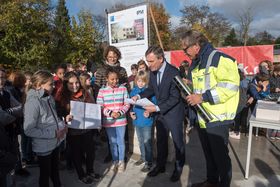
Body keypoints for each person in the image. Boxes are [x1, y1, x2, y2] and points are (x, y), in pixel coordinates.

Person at [181, 30, 240, 187]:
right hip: (203, 117)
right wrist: (190, 86)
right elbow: (204, 85)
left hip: (218, 118)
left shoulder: (219, 58)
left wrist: (201, 97)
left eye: (185, 48)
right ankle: (212, 181)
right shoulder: (197, 62)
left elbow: (230, 86)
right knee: (209, 155)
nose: (184, 53)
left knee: (221, 157)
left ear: (196, 45)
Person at [131, 46, 185, 182]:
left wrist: (156, 108)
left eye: (151, 61)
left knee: (178, 142)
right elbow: (151, 89)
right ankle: (160, 166)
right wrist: (138, 95)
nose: (148, 65)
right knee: (161, 141)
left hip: (173, 113)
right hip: (160, 113)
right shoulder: (153, 72)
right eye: (147, 61)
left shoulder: (174, 72)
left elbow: (175, 98)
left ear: (160, 59)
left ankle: (178, 168)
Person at [24, 70, 69, 187]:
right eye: (50, 84)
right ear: (39, 85)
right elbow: (28, 129)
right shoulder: (33, 102)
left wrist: (63, 125)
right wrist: (54, 133)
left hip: (54, 142)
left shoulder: (48, 97)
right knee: (45, 174)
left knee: (55, 170)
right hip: (43, 146)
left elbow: (52, 117)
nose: (53, 87)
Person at [55, 71, 101, 184]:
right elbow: (57, 113)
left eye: (76, 83)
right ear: (65, 84)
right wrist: (65, 117)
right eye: (71, 83)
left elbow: (93, 107)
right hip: (72, 132)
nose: (75, 86)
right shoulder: (61, 97)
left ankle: (90, 171)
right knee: (77, 154)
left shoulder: (84, 92)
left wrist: (97, 121)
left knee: (90, 152)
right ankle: (81, 175)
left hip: (87, 129)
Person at [95, 45, 129, 163]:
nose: (112, 58)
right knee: (110, 136)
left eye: (115, 56)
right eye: (110, 56)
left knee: (121, 136)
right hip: (106, 106)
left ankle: (121, 156)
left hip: (120, 104)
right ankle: (111, 154)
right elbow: (97, 88)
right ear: (106, 57)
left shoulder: (122, 70)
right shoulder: (101, 70)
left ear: (117, 56)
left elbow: (126, 87)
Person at [97, 68, 130, 173]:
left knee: (121, 142)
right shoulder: (102, 90)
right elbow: (100, 105)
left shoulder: (123, 89)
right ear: (106, 79)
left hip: (121, 121)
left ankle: (121, 161)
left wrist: (120, 112)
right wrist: (111, 113)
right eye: (112, 79)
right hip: (109, 122)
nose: (115, 81)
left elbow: (127, 103)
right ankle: (115, 161)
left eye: (116, 79)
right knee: (112, 142)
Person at [129, 70, 156, 172]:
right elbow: (131, 104)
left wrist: (150, 112)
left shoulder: (149, 91)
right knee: (140, 141)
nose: (141, 83)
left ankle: (149, 162)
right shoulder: (133, 91)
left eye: (143, 81)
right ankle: (143, 157)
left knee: (147, 142)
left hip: (147, 121)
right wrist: (131, 112)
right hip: (137, 121)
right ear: (136, 81)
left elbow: (154, 105)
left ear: (147, 81)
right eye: (139, 81)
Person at [0, 68, 19, 187]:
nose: (1, 80)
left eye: (2, 77)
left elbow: (21, 108)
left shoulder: (7, 93)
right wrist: (13, 114)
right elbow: (2, 118)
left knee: (11, 163)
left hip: (10, 132)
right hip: (1, 139)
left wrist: (7, 112)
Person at [268, 64, 280, 139]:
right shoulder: (270, 77)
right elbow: (266, 88)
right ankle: (273, 131)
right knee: (273, 115)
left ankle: (278, 130)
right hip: (272, 97)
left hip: (279, 97)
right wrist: (273, 89)